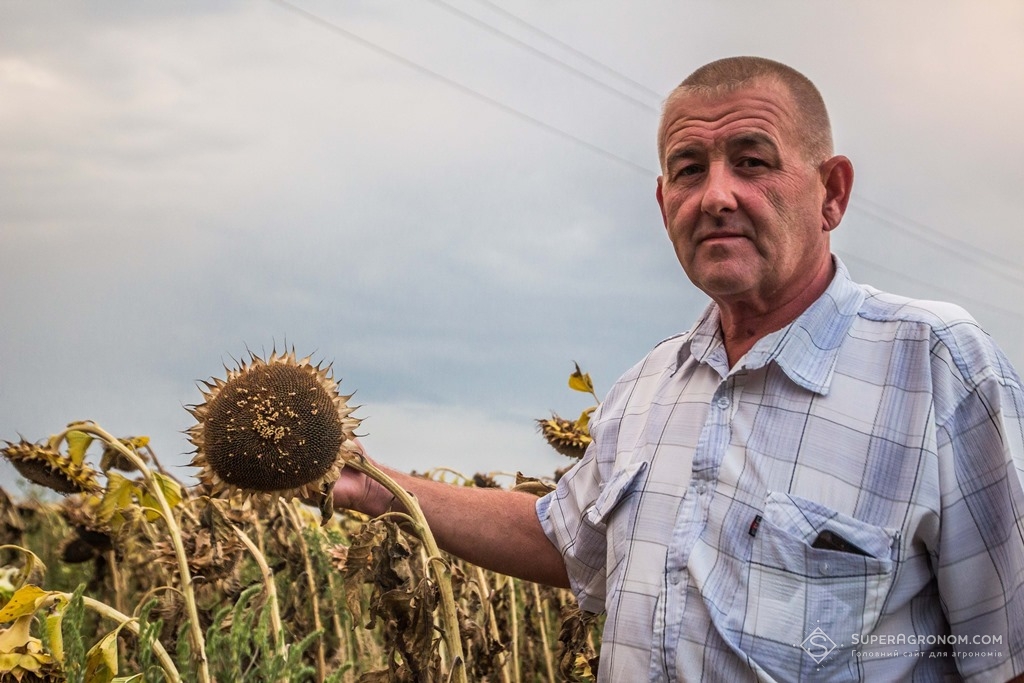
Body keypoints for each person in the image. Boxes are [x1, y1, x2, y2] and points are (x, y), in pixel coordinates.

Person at [333, 56, 1024, 682]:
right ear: (664, 203)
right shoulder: (646, 387)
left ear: (832, 192)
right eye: (689, 168)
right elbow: (565, 540)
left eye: (751, 161)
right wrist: (374, 486)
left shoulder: (937, 367)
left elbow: (1008, 652)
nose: (716, 195)